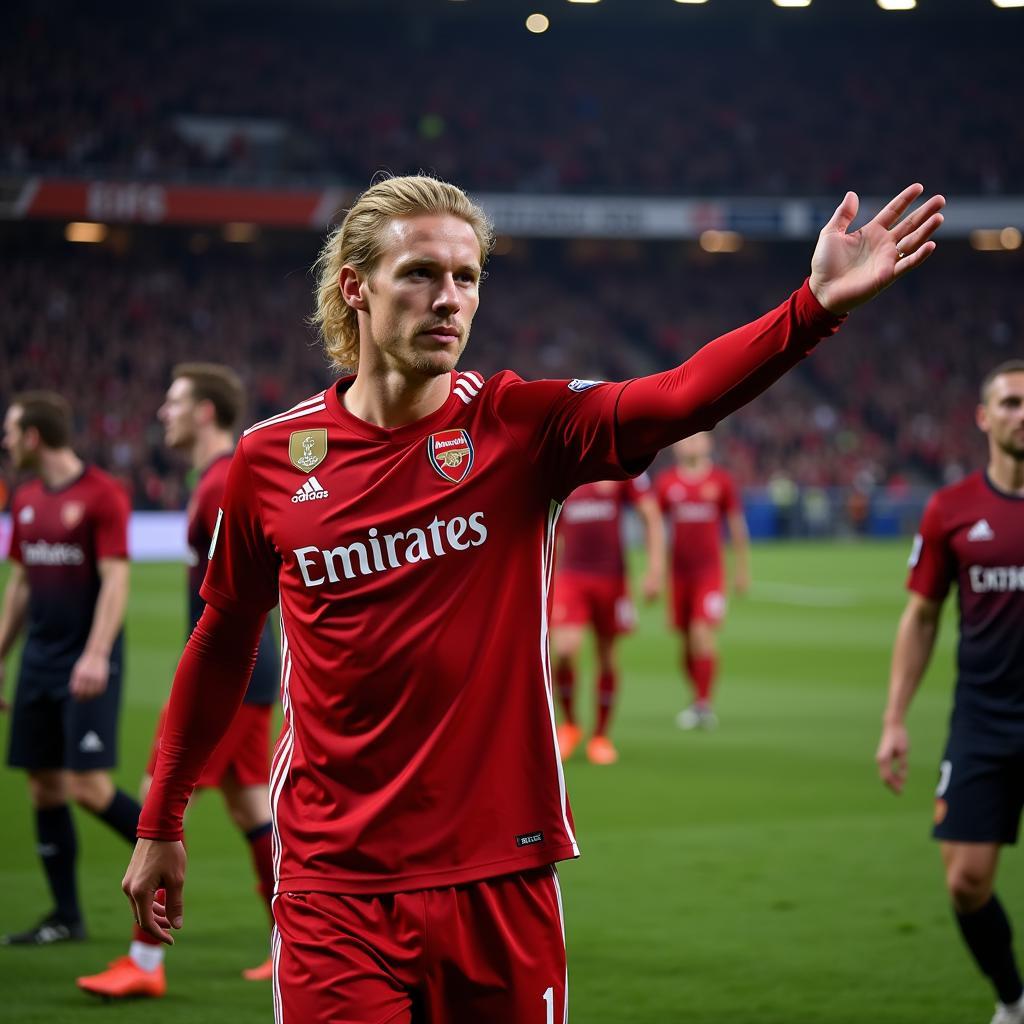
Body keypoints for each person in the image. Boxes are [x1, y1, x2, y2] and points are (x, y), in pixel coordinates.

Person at [123, 175, 943, 1022]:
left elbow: (680, 397)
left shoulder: (521, 426)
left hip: (502, 871)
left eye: (468, 277)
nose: (450, 299)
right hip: (336, 883)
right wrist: (160, 819)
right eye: (421, 274)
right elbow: (221, 639)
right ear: (355, 287)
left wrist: (813, 306)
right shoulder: (267, 462)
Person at [76, 364, 280, 997]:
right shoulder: (214, 479)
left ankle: (143, 964)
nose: (163, 412)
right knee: (252, 807)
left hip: (233, 672)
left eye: (175, 402)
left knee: (161, 797)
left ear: (206, 413)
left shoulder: (223, 483)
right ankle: (295, 940)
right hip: (250, 672)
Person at [876, 360, 1024, 1024]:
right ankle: (1013, 999)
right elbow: (922, 616)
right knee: (966, 882)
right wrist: (894, 720)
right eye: (1012, 402)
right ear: (984, 416)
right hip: (983, 724)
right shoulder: (951, 510)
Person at [0, 392, 141, 945]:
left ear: (34, 436)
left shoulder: (102, 494)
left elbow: (116, 577)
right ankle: (66, 917)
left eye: (11, 432)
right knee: (43, 786)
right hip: (38, 660)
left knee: (86, 784)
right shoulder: (27, 498)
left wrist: (97, 653)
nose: (6, 442)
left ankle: (159, 844)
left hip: (86, 665)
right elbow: (21, 583)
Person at [552, 474, 664, 765]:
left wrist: (655, 570)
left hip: (611, 577)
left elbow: (650, 515)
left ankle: (601, 736)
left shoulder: (619, 466)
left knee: (607, 654)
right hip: (571, 575)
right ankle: (571, 724)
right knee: (564, 650)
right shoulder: (564, 461)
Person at [654, 431, 750, 730]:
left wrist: (742, 570)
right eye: (685, 439)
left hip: (709, 573)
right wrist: (656, 572)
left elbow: (736, 526)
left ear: (708, 444)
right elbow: (655, 528)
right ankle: (697, 697)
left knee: (701, 633)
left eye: (697, 439)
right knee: (685, 641)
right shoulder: (667, 483)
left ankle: (703, 705)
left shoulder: (720, 482)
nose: (690, 443)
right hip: (678, 575)